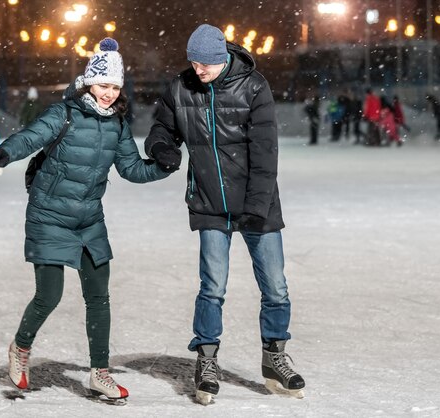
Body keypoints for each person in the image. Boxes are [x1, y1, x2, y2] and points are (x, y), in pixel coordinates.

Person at [0, 38, 170, 402]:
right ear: (88, 83)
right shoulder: (64, 114)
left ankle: (99, 373)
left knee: (98, 295)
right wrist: (7, 151)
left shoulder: (116, 125)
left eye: (116, 87)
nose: (109, 94)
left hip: (88, 219)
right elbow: (31, 136)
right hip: (49, 215)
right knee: (48, 296)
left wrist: (162, 166)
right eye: (104, 85)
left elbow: (131, 168)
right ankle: (20, 349)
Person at [144, 24, 305, 404]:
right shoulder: (181, 87)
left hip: (257, 204)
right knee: (212, 287)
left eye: (206, 64)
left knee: (276, 287)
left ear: (223, 58)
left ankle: (275, 357)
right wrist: (162, 148)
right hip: (209, 202)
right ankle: (207, 359)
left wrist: (255, 206)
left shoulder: (253, 86)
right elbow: (160, 130)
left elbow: (266, 153)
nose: (198, 70)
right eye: (193, 63)